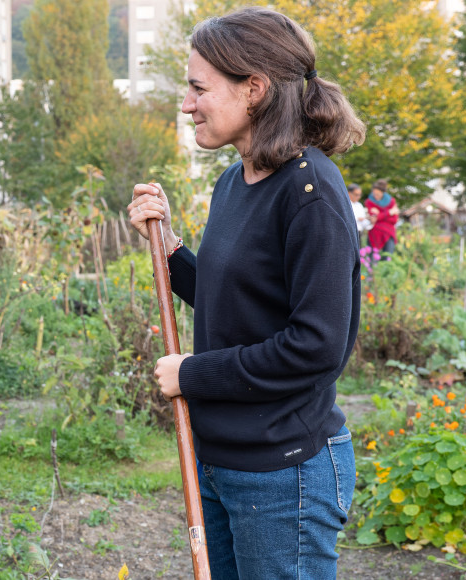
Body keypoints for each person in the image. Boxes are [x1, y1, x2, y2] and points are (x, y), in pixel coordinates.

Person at [128, 8, 364, 579]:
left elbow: (316, 346)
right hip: (222, 459)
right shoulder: (235, 180)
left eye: (197, 88)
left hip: (285, 471)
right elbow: (231, 297)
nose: (187, 105)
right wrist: (170, 253)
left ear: (253, 88)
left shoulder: (310, 192)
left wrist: (193, 374)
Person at [365, 179, 399, 253]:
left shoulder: (391, 201)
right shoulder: (369, 202)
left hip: (389, 232)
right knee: (372, 259)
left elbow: (394, 220)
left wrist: (379, 215)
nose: (375, 196)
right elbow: (373, 219)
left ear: (382, 193)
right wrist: (389, 212)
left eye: (378, 194)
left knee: (387, 258)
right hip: (375, 233)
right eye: (374, 194)